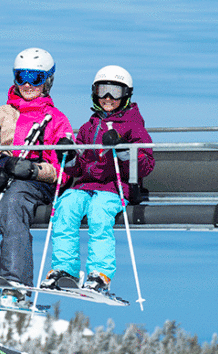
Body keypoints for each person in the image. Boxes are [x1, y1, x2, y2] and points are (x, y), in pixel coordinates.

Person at [0, 48, 75, 309]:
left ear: (47, 81)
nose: (27, 85)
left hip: (33, 183)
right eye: (21, 76)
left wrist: (34, 170)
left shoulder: (55, 119)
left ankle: (15, 284)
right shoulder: (1, 113)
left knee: (13, 205)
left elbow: (63, 168)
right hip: (1, 175)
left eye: (34, 78)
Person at [40, 65, 154, 295]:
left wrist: (123, 149)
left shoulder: (133, 126)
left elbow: (146, 164)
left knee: (99, 213)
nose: (108, 98)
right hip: (86, 186)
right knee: (66, 206)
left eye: (115, 92)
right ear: (95, 93)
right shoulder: (88, 127)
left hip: (115, 188)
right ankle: (64, 270)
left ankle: (99, 274)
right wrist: (69, 156)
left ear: (126, 94)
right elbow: (78, 166)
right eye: (103, 91)